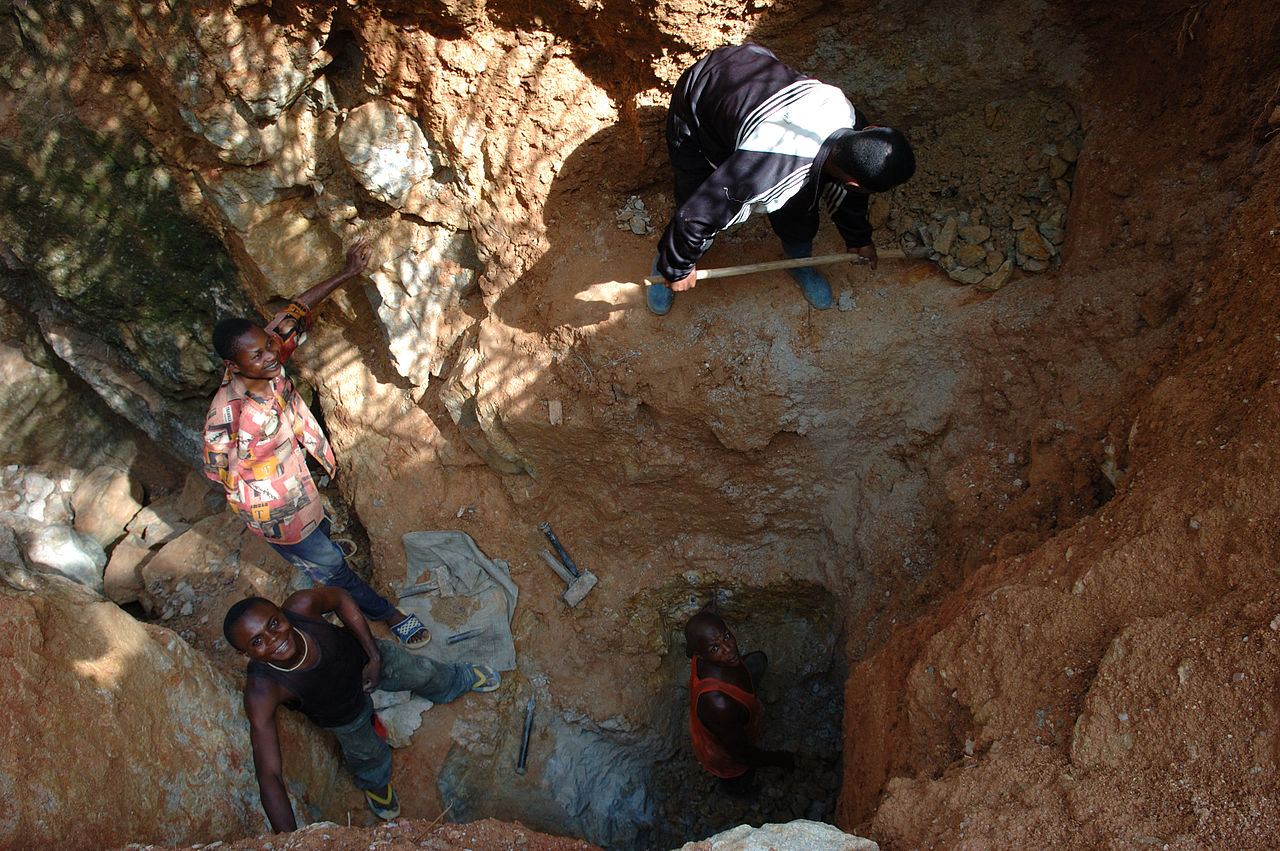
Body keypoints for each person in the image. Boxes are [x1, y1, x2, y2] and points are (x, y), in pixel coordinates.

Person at [203, 239, 429, 648]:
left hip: (299, 484)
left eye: (269, 344)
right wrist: (260, 501)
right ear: (233, 366)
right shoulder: (228, 415)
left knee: (322, 527)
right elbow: (217, 468)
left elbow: (296, 312)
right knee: (334, 570)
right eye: (257, 354)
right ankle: (388, 614)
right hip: (278, 512)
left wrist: (347, 272)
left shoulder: (265, 355)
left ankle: (322, 548)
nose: (271, 354)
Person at [650, 42, 916, 314]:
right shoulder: (765, 169)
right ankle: (664, 264)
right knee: (693, 192)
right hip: (699, 104)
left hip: (752, 73)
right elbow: (698, 214)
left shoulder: (853, 123)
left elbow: (849, 191)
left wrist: (857, 238)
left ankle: (798, 262)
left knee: (799, 207)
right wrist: (677, 267)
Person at [223, 587, 501, 831]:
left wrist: (374, 655)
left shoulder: (302, 606)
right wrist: (291, 841)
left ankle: (457, 679)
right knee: (366, 754)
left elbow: (341, 598)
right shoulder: (263, 690)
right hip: (341, 714)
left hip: (368, 661)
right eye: (257, 641)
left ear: (281, 611)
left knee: (424, 672)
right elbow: (269, 775)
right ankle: (377, 785)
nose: (274, 638)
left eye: (274, 623)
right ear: (244, 653)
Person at [685, 601, 793, 795]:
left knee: (755, 662)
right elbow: (741, 754)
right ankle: (739, 791)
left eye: (727, 637)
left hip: (725, 713)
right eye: (715, 648)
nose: (729, 649)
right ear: (699, 654)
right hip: (725, 755)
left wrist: (711, 614)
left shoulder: (703, 645)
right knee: (739, 776)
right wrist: (780, 760)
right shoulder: (719, 704)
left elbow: (709, 631)